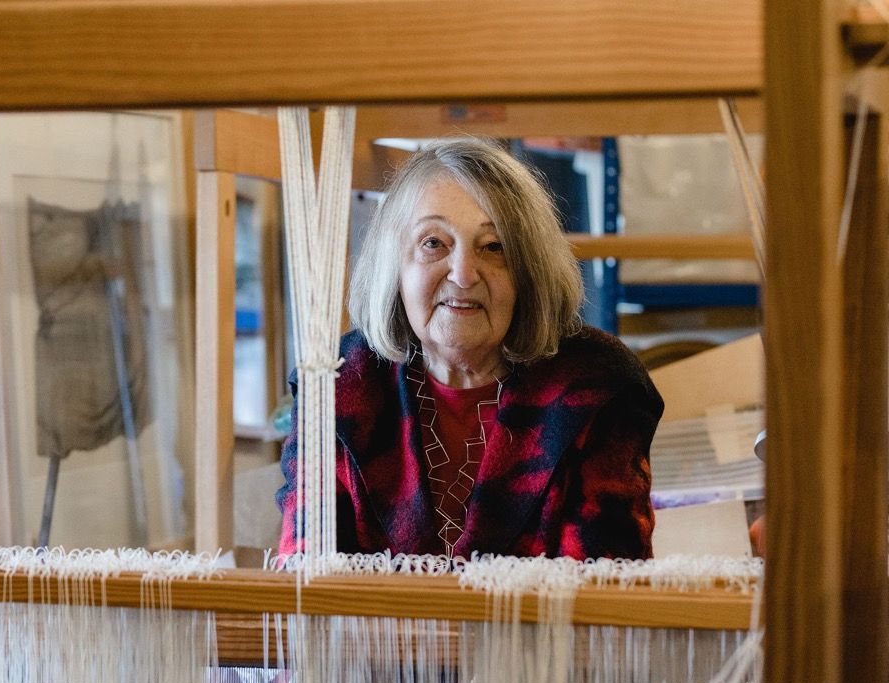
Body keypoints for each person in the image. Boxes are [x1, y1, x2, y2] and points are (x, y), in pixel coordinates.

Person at [277, 138, 663, 559]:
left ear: (528, 270)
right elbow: (306, 575)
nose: (463, 275)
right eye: (433, 243)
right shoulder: (338, 385)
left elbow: (606, 583)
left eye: (494, 247)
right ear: (395, 265)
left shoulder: (595, 387)